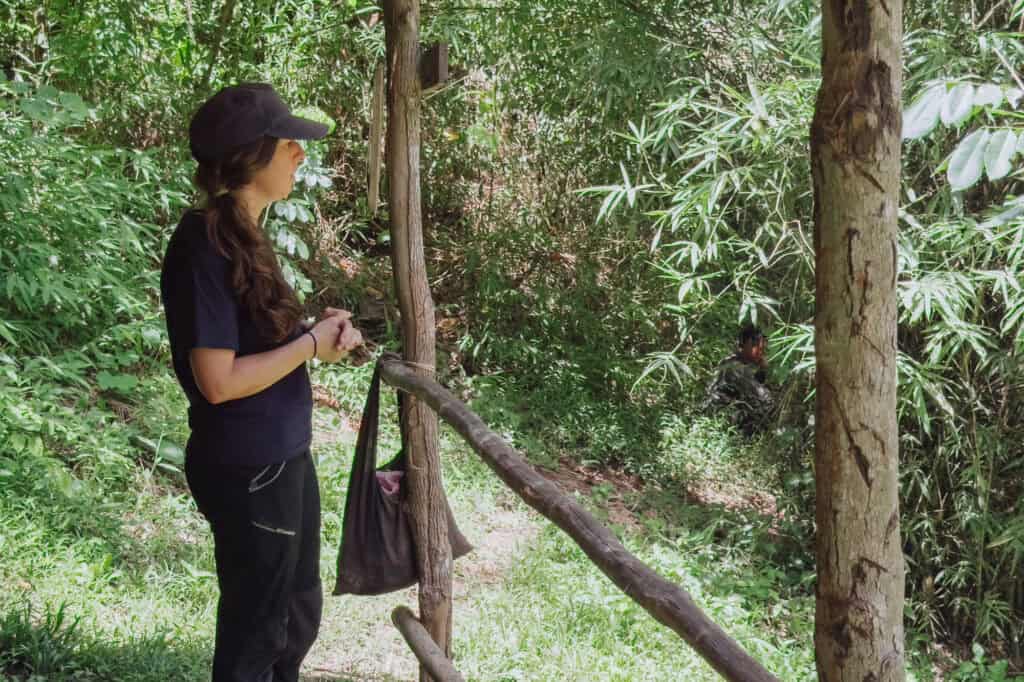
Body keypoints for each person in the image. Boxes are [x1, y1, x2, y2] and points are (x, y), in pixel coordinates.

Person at [160, 83, 363, 682]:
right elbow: (218, 381)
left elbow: (251, 342)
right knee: (259, 633)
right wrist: (308, 345)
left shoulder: (240, 232)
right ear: (251, 156)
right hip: (250, 466)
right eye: (287, 142)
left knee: (293, 616)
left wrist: (312, 332)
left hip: (279, 456)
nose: (300, 152)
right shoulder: (204, 244)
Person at [703, 324, 774, 435]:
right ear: (749, 344)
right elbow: (766, 400)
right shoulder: (737, 368)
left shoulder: (730, 361)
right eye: (761, 350)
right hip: (719, 418)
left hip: (712, 414)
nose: (762, 354)